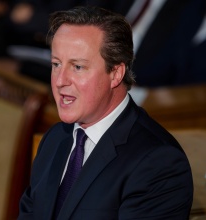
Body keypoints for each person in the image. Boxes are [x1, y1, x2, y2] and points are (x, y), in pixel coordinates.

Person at [18, 6, 193, 219]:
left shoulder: (159, 163)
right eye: (56, 64)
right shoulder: (55, 138)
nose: (60, 80)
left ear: (116, 73)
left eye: (78, 67)